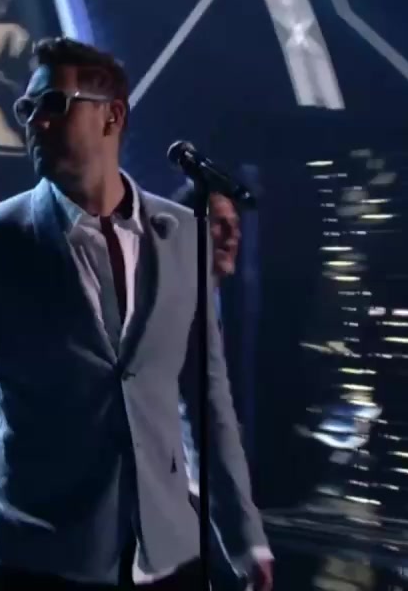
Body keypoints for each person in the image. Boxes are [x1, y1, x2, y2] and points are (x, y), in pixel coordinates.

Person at [0, 37, 273, 591]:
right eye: (27, 108)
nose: (35, 121)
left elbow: (210, 402)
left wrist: (246, 539)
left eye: (53, 104)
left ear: (113, 116)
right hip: (38, 557)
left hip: (170, 556)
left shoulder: (184, 236)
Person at [171, 184, 247, 591]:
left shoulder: (212, 302)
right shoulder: (171, 304)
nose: (232, 236)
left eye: (235, 225)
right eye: (220, 224)